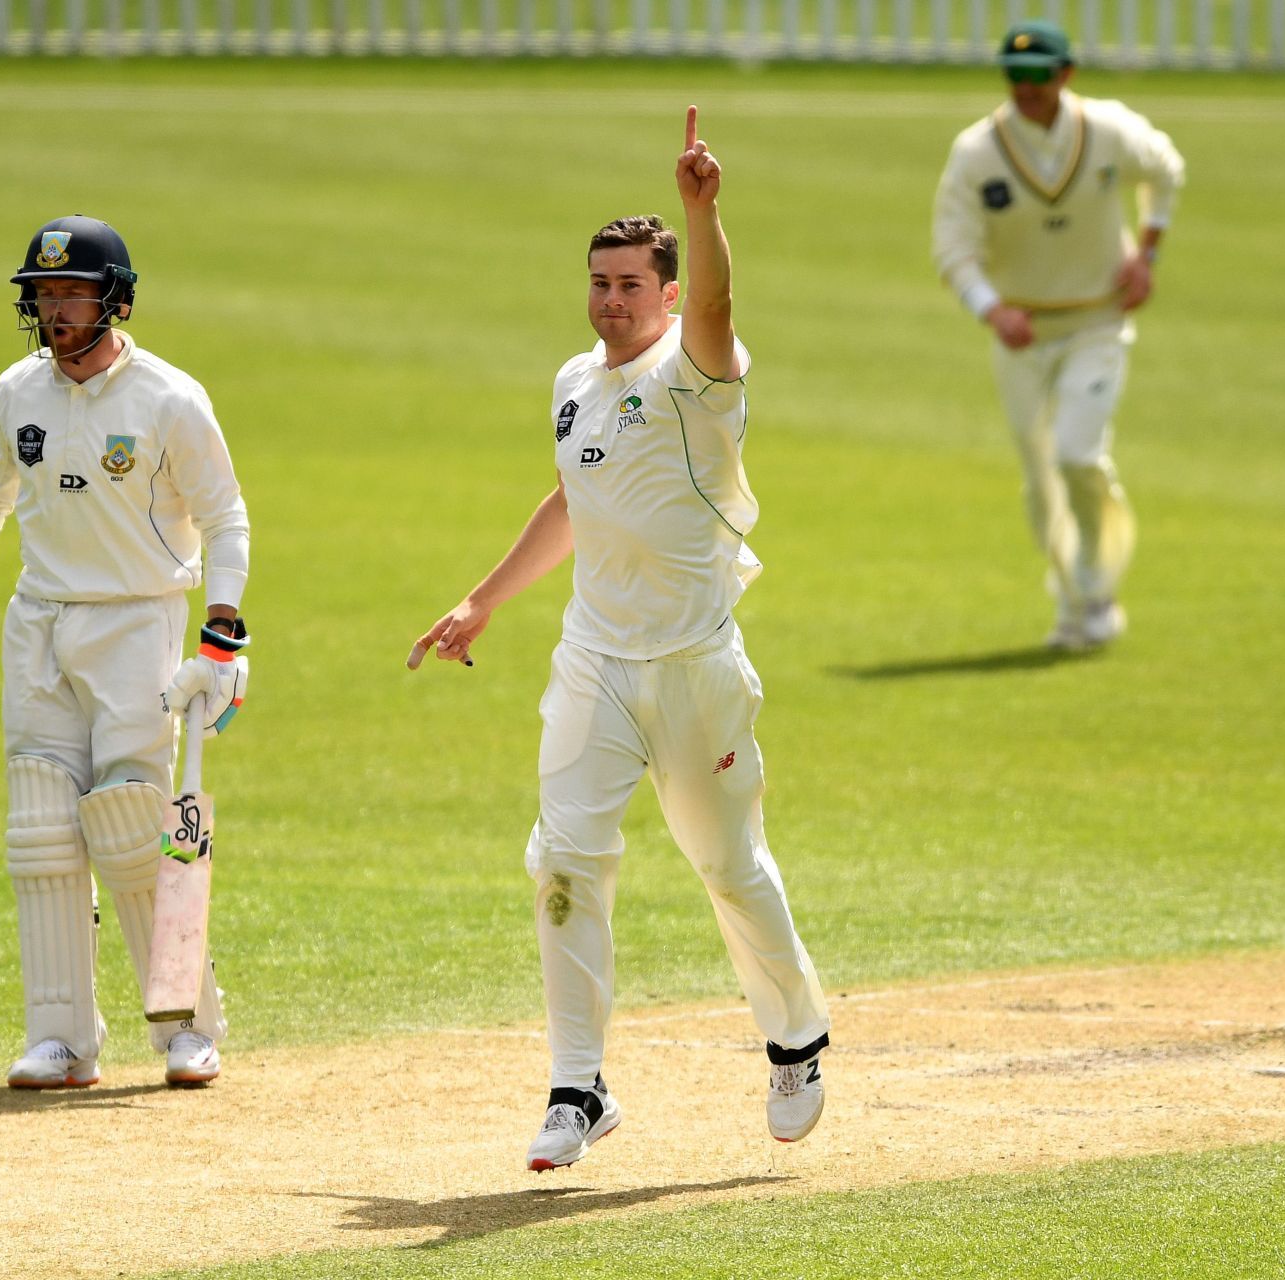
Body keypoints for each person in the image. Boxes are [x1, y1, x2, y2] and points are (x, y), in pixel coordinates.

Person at [413, 109, 832, 1172]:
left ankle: (795, 1039)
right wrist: (485, 597)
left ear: (669, 293)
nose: (610, 303)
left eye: (631, 286)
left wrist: (702, 206)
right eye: (599, 283)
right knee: (562, 856)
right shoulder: (573, 382)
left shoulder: (699, 372)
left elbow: (725, 302)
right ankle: (576, 1083)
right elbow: (572, 502)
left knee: (727, 864)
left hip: (694, 666)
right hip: (594, 660)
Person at [0, 215, 251, 1089]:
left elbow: (227, 517)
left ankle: (185, 1025)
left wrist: (223, 634)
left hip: (139, 623)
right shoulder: (19, 391)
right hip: (40, 624)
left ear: (115, 300)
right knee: (42, 825)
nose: (55, 312)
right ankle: (62, 1038)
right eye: (43, 295)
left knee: (132, 823)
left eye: (70, 294)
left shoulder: (170, 398)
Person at [932, 21, 1186, 650]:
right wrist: (994, 311)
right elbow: (953, 249)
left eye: (1038, 75)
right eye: (1014, 76)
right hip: (1021, 333)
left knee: (1078, 456)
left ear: (1065, 74)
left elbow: (1166, 170)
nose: (1026, 88)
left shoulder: (1107, 130)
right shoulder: (977, 152)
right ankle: (1073, 601)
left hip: (1096, 322)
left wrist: (1146, 254)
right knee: (1041, 475)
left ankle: (1097, 593)